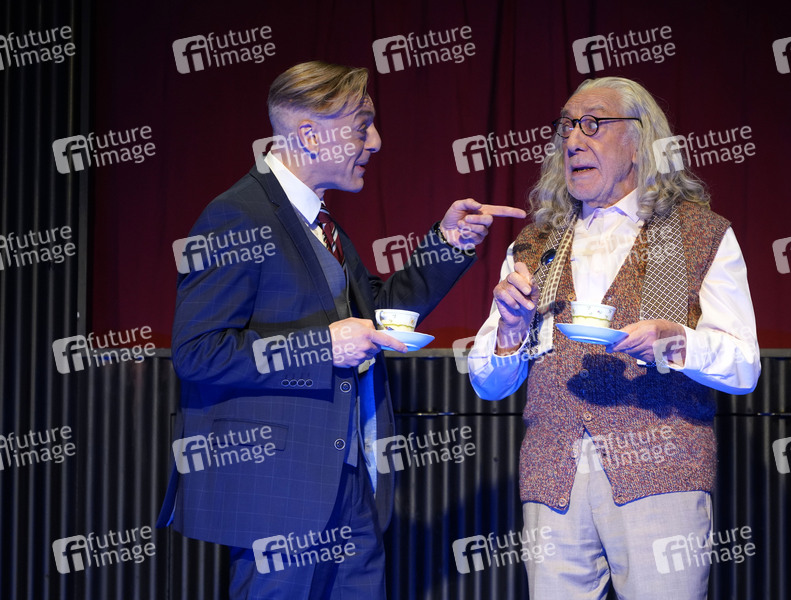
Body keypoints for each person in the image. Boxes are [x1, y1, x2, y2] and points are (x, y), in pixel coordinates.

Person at [156, 60, 524, 599]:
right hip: (280, 497)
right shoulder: (236, 216)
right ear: (310, 135)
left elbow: (376, 314)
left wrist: (447, 245)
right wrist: (323, 346)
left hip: (349, 486)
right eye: (361, 127)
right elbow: (198, 352)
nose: (375, 142)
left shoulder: (320, 223)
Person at [467, 76, 760, 599]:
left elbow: (745, 367)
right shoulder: (534, 244)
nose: (573, 141)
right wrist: (509, 332)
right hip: (553, 479)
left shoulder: (698, 232)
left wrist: (678, 342)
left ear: (639, 140)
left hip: (659, 476)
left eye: (593, 124)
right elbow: (489, 385)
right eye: (566, 127)